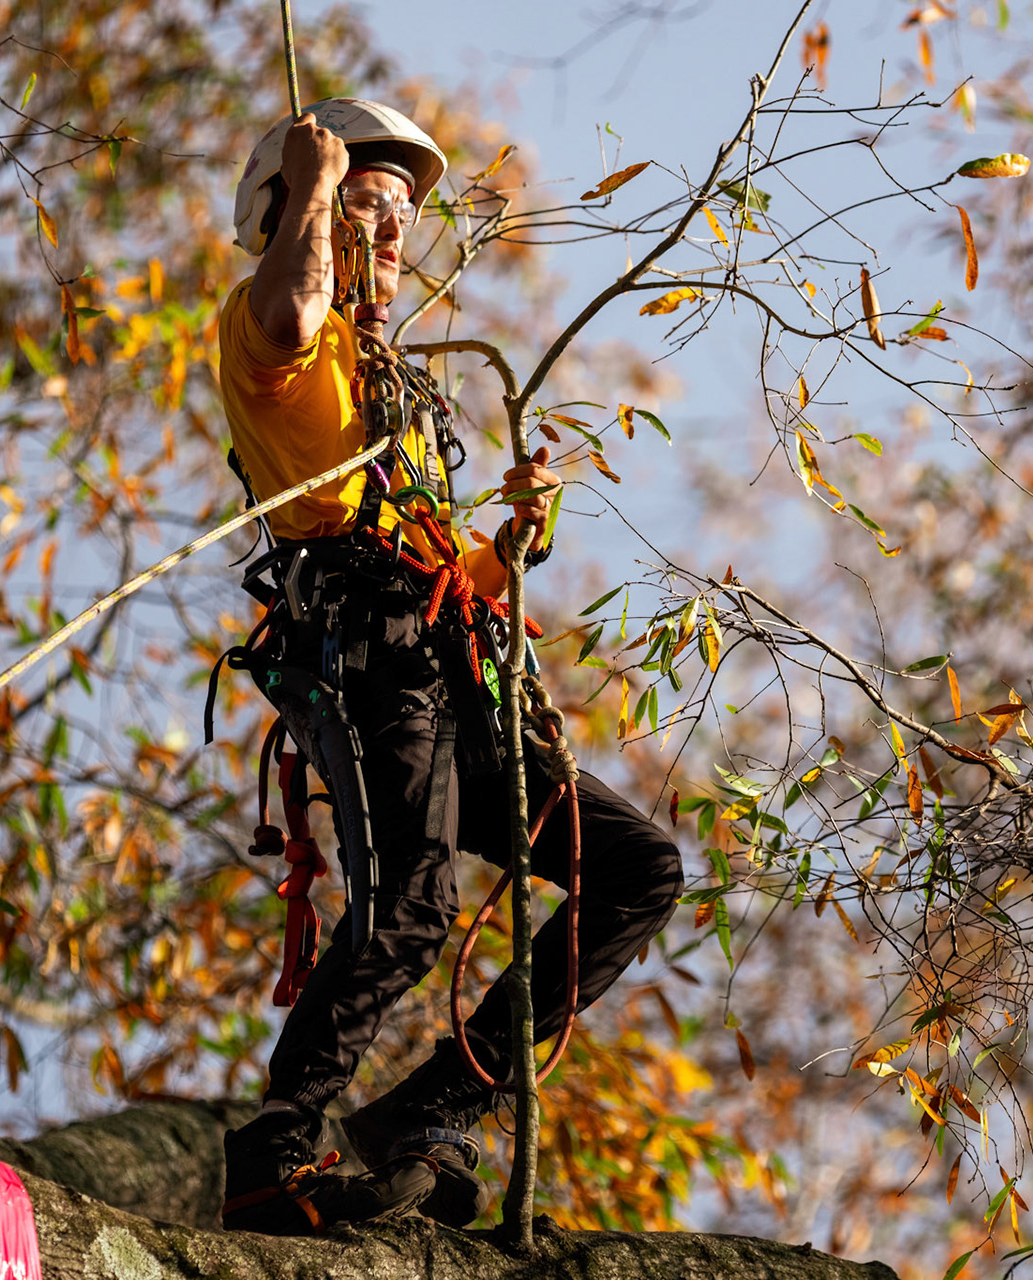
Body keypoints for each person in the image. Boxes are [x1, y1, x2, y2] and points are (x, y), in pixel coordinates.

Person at [212, 98, 682, 1235]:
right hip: (360, 653)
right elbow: (289, 308)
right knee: (415, 906)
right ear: (299, 209)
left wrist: (503, 547)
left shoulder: (396, 385)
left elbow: (434, 561)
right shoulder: (275, 331)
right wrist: (316, 187)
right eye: (365, 208)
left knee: (636, 866)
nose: (388, 233)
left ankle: (430, 1105)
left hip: (446, 665)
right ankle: (276, 1149)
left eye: (400, 218)